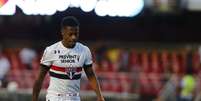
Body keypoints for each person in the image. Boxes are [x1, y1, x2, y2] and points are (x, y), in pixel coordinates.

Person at [32, 16, 105, 101]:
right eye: (70, 34)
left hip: (74, 98)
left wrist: (100, 96)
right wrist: (34, 99)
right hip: (54, 98)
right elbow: (40, 78)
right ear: (62, 32)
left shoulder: (84, 50)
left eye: (76, 34)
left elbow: (91, 75)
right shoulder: (51, 50)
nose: (73, 37)